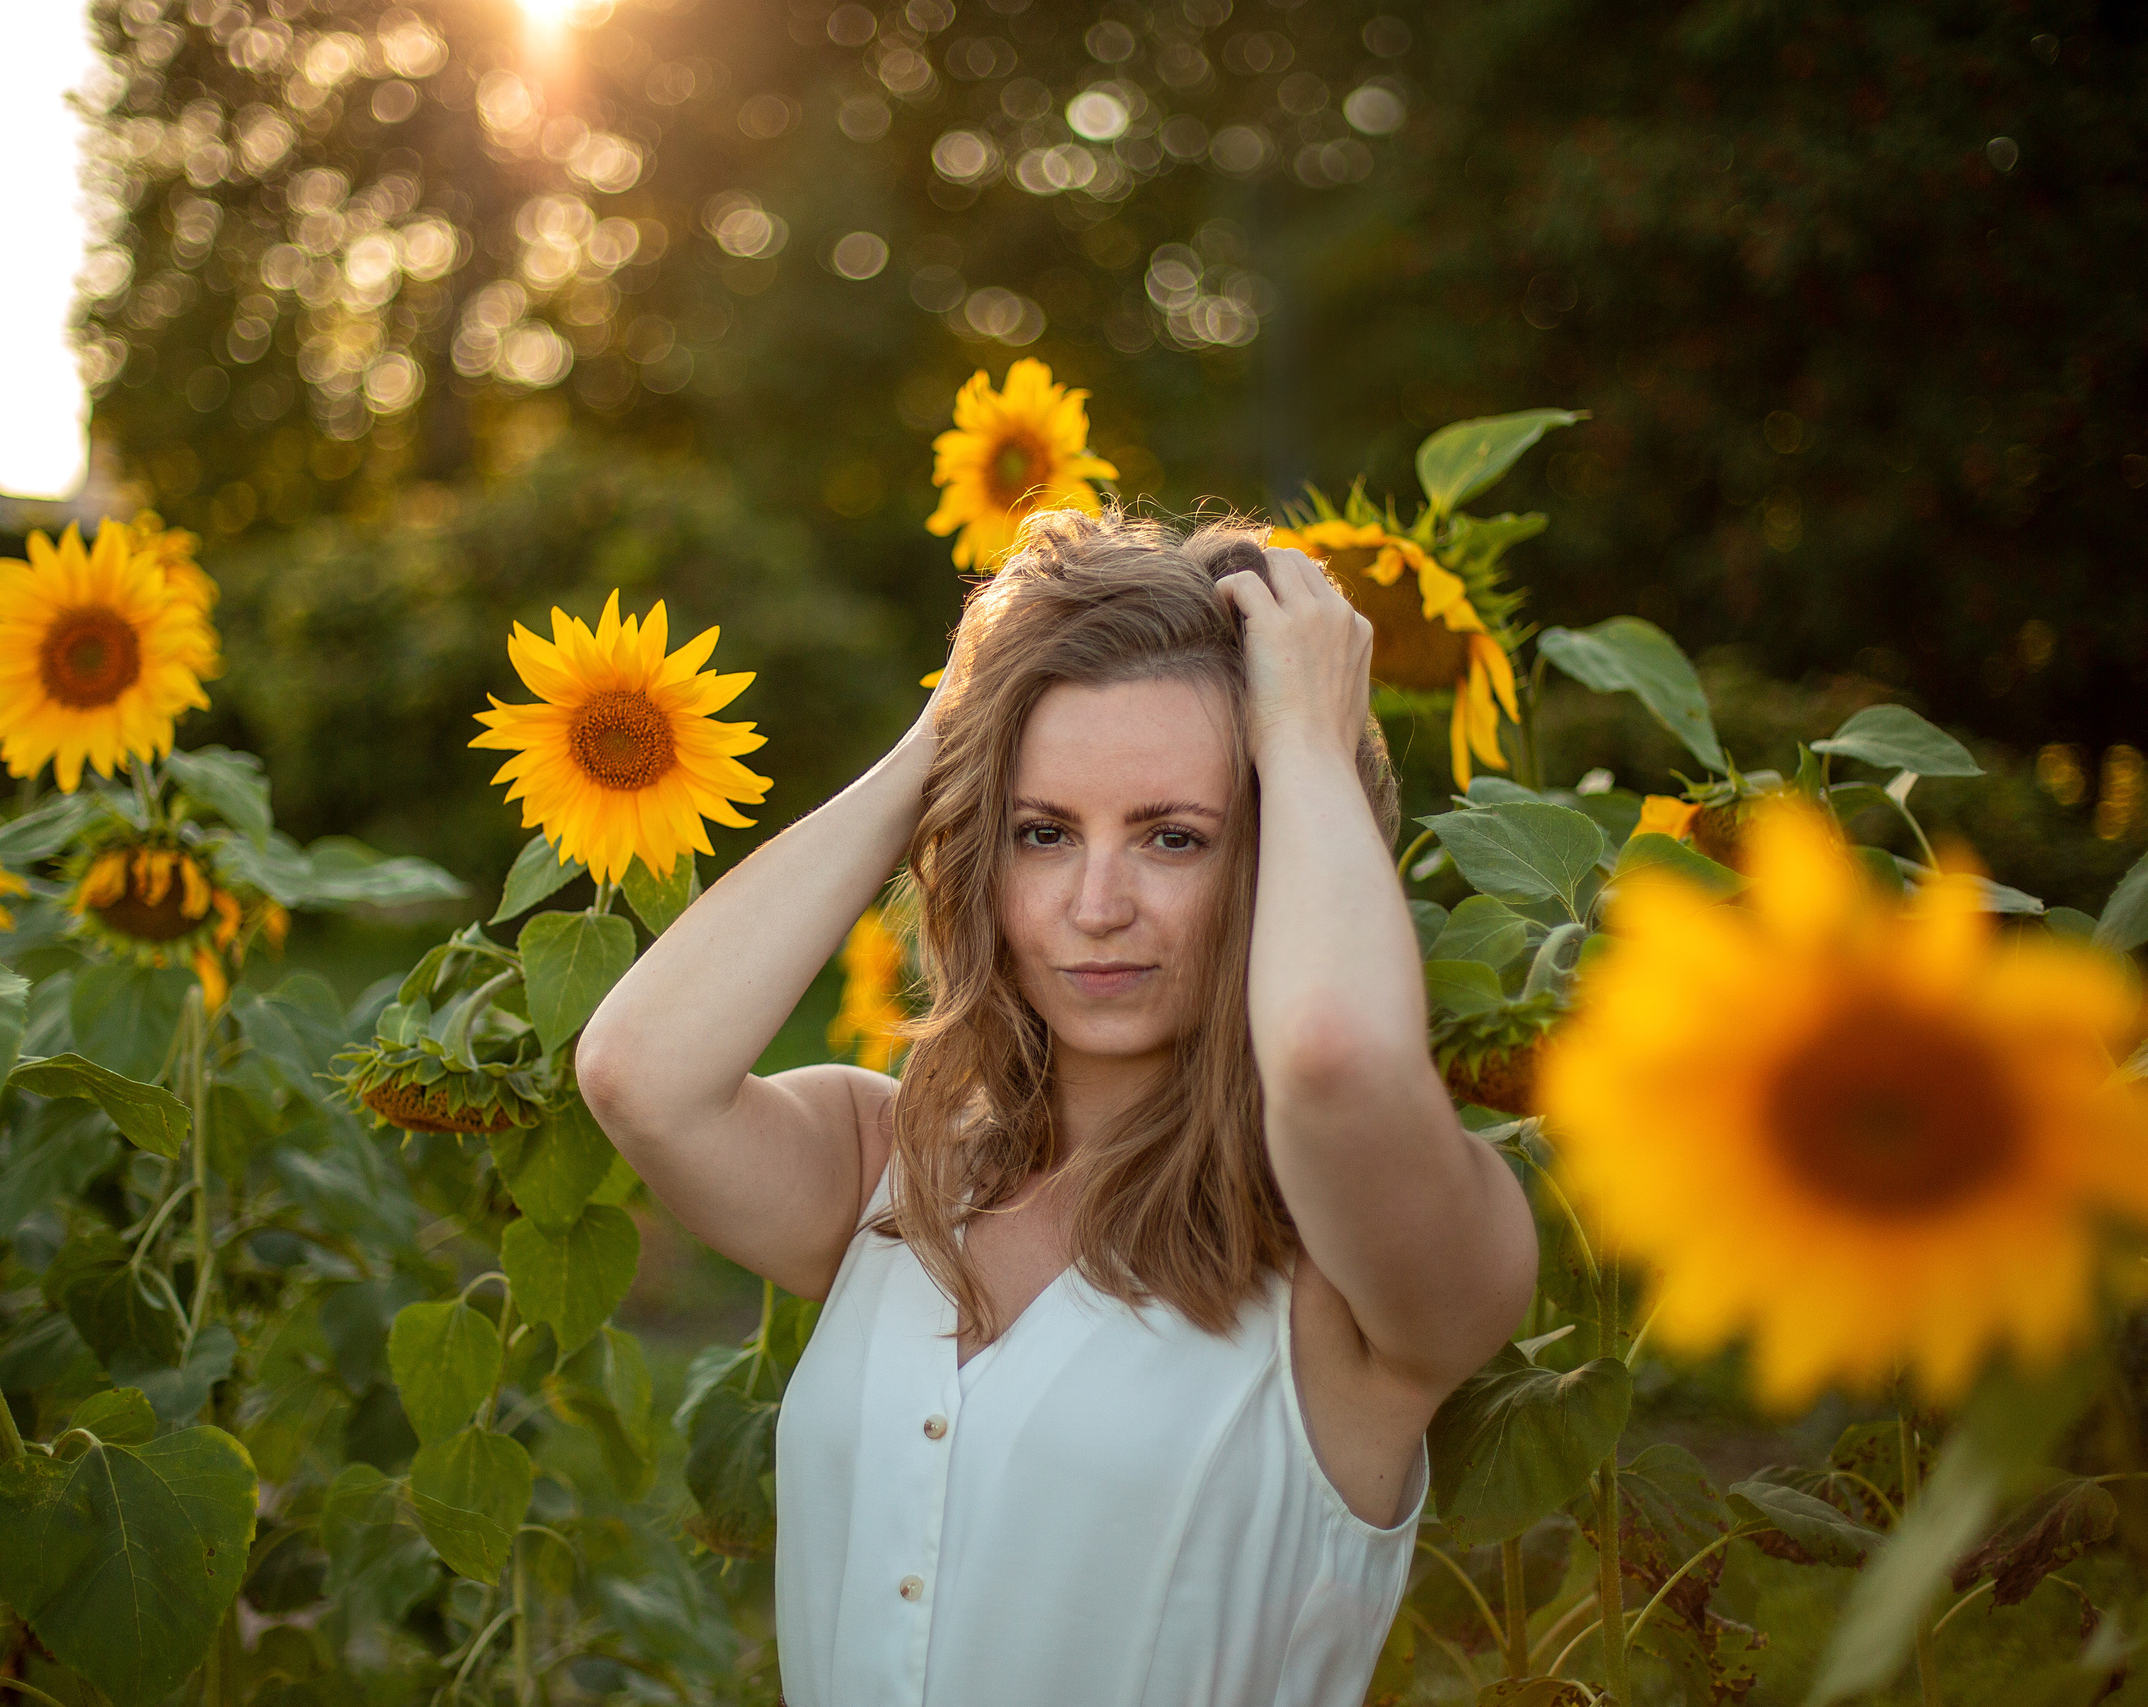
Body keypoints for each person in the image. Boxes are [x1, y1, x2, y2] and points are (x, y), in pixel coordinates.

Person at [576, 508, 1539, 1706]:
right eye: (1042, 833)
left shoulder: (1357, 1270)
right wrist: (953, 727)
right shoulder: (893, 1169)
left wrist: (1305, 740)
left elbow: (1334, 1057)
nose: (1095, 906)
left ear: (1280, 849)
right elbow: (637, 1074)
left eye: (1174, 838)